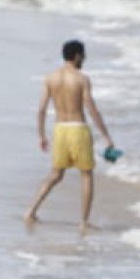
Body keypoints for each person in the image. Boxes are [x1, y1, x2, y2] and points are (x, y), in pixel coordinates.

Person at [24, 39, 119, 233]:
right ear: (76, 56)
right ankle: (83, 222)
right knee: (86, 175)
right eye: (83, 55)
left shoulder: (50, 78)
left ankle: (30, 211)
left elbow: (41, 109)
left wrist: (41, 135)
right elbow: (92, 110)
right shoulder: (81, 79)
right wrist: (107, 137)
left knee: (56, 174)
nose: (84, 59)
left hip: (59, 129)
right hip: (77, 129)